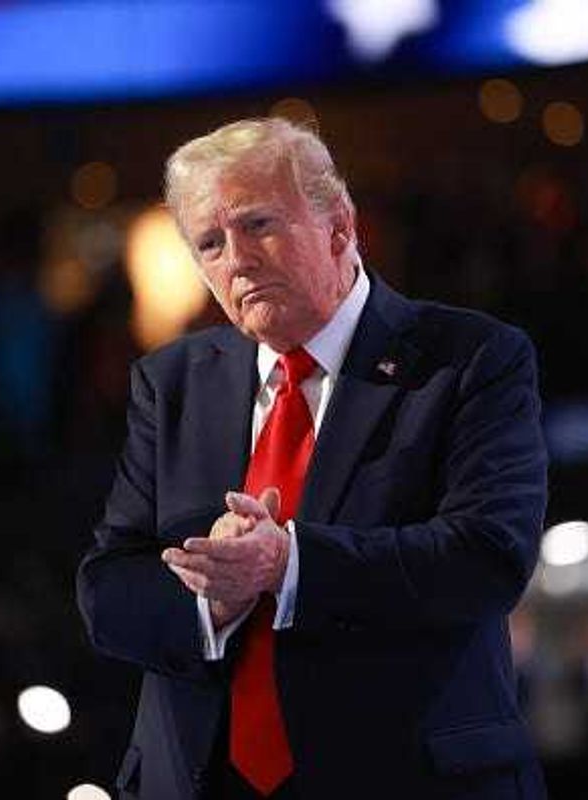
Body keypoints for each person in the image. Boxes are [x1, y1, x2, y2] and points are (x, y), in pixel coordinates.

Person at [77, 118, 548, 800]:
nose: (236, 259)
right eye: (210, 243)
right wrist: (215, 599)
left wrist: (289, 563)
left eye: (258, 225)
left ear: (338, 226)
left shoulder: (470, 359)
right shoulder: (172, 383)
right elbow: (108, 591)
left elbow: (486, 557)